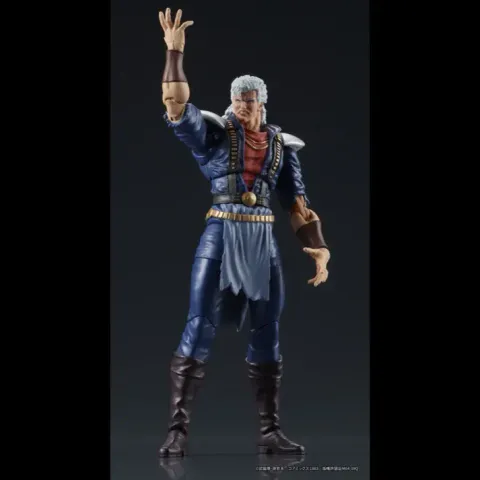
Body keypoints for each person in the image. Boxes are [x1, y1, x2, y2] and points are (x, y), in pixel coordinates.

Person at [157, 8, 330, 457]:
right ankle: (177, 431)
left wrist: (318, 248)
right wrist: (174, 53)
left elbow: (297, 205)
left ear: (261, 104)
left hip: (262, 240)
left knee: (267, 328)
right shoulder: (214, 136)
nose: (240, 106)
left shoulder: (281, 147)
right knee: (199, 324)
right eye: (236, 100)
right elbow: (175, 106)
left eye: (248, 101)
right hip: (220, 233)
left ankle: (270, 432)